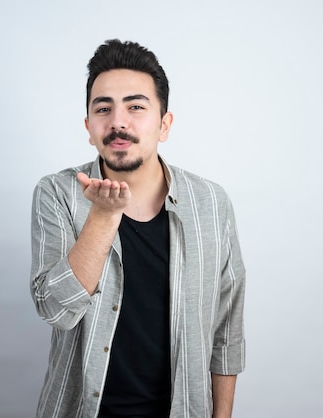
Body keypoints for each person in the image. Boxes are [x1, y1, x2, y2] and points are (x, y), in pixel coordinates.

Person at [30, 39, 246, 418]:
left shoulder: (211, 204)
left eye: (135, 107)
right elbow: (55, 309)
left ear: (164, 124)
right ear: (89, 127)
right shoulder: (57, 193)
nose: (118, 122)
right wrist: (102, 216)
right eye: (103, 108)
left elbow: (226, 331)